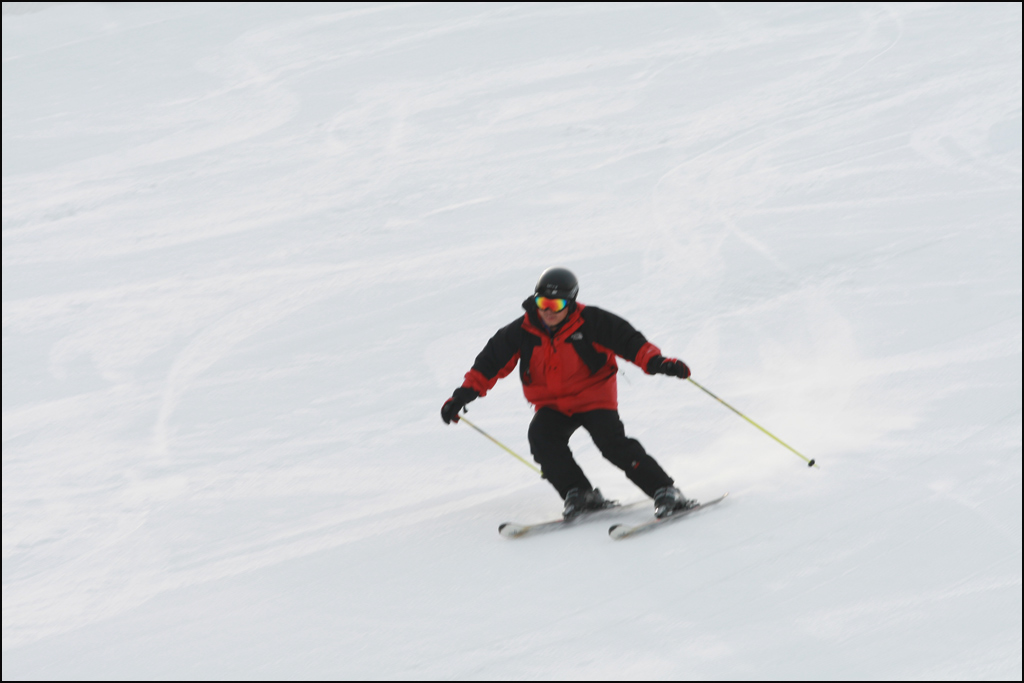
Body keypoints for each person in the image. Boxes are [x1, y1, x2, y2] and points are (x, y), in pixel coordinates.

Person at [441, 267, 696, 519]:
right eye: (542, 302)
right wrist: (461, 396)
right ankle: (579, 492)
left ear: (571, 301)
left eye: (556, 303)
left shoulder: (593, 321)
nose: (548, 310)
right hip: (551, 404)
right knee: (542, 438)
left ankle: (665, 490)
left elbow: (631, 343)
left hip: (593, 398)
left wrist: (659, 362)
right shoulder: (522, 331)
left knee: (611, 444)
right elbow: (488, 365)